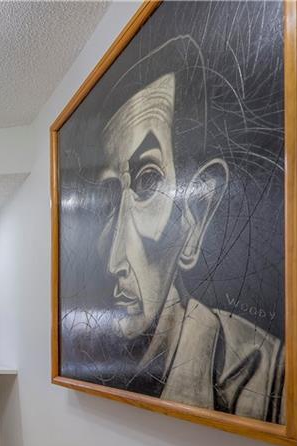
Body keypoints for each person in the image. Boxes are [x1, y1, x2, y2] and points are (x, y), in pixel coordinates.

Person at [59, 21, 285, 424]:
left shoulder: (263, 373)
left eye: (148, 183)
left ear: (196, 215)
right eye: (107, 200)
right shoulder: (86, 355)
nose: (114, 260)